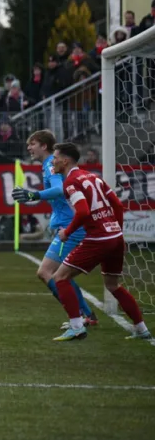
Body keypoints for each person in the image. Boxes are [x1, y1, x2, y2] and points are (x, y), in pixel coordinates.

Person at [47, 142, 151, 342]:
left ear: (65, 160)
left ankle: (77, 327)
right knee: (113, 285)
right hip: (114, 237)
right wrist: (118, 232)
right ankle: (141, 329)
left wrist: (67, 232)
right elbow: (118, 206)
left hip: (98, 238)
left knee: (60, 277)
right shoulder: (93, 176)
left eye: (56, 157)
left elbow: (84, 212)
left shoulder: (71, 182)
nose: (53, 161)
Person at [11, 130, 97, 327]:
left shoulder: (51, 163)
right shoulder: (49, 164)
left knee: (45, 272)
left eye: (32, 144)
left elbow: (59, 189)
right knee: (60, 273)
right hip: (67, 225)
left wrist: (34, 195)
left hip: (70, 227)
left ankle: (78, 317)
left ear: (43, 145)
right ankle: (87, 314)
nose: (29, 148)